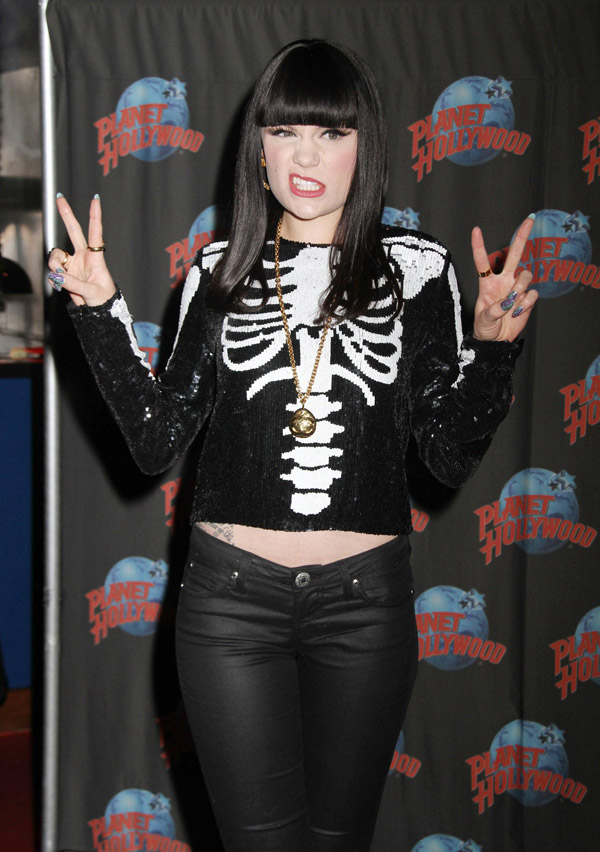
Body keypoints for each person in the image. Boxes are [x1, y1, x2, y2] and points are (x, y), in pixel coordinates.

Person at [48, 39, 537, 852]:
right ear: (259, 148)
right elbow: (157, 440)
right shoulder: (218, 272)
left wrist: (491, 352)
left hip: (365, 606)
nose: (306, 156)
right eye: (285, 131)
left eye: (332, 133)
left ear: (365, 147)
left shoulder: (420, 271)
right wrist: (99, 314)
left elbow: (447, 458)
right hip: (231, 607)